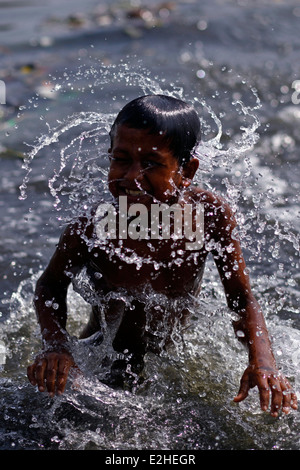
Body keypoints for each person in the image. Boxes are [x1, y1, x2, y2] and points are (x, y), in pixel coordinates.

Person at [27, 94, 297, 417]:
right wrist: (57, 348)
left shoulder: (209, 216)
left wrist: (262, 362)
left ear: (187, 170)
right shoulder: (93, 228)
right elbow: (48, 287)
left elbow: (241, 298)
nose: (131, 177)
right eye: (121, 159)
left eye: (152, 164)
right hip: (100, 363)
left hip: (170, 362)